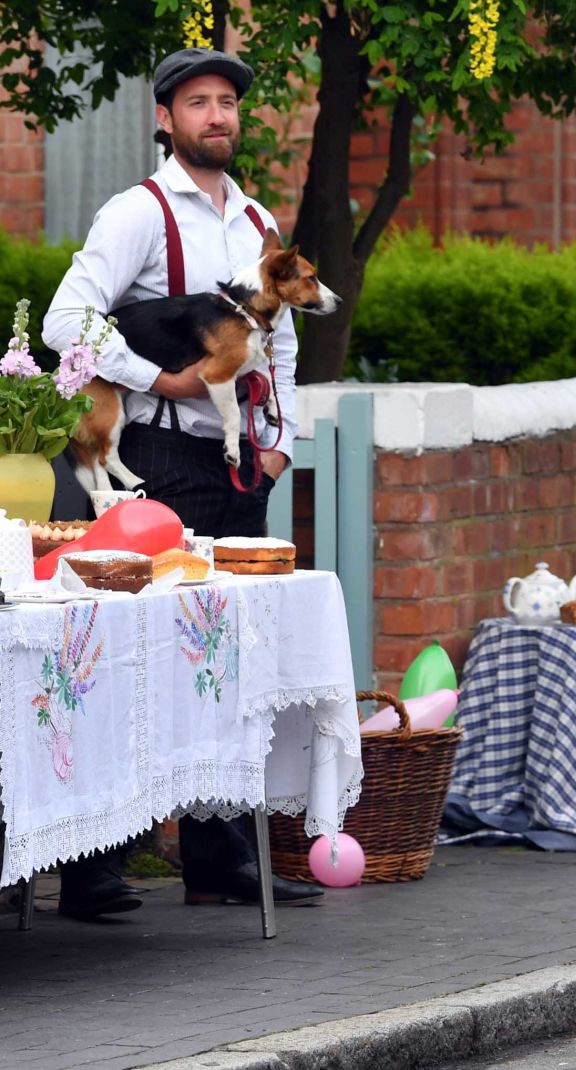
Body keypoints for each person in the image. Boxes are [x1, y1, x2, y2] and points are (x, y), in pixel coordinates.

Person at [41, 46, 322, 918]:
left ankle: (217, 857)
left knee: (230, 663)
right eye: (198, 103)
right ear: (166, 119)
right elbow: (65, 319)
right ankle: (94, 862)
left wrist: (278, 445)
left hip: (237, 467)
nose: (218, 117)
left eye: (228, 103)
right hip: (154, 460)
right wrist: (153, 379)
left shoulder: (256, 221)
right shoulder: (139, 211)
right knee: (128, 660)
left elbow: (278, 344)